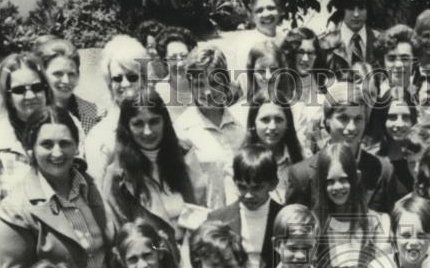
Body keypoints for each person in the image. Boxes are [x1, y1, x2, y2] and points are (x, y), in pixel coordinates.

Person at [0, 106, 112, 268]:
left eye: (65, 143)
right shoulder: (15, 210)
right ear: (30, 148)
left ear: (77, 146)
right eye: (47, 144)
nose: (57, 153)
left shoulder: (93, 188)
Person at [0, 53, 55, 268]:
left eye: (37, 87)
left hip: (62, 262)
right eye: (19, 90)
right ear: (7, 95)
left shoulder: (67, 129)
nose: (30, 96)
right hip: (18, 267)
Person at [103, 90, 201, 243]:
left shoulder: (185, 156)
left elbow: (201, 210)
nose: (147, 132)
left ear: (165, 121)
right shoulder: (117, 175)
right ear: (127, 127)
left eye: (154, 121)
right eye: (138, 124)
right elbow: (120, 235)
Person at [286, 80, 394, 213]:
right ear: (326, 121)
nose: (351, 127)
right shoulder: (301, 175)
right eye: (343, 118)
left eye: (358, 119)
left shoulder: (383, 171)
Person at [310, 142, 391, 268]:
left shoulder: (378, 223)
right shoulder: (313, 224)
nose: (338, 187)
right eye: (330, 182)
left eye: (344, 179)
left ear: (357, 177)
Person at [174, 45, 246, 209]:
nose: (207, 92)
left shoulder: (242, 123)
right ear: (191, 87)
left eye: (214, 83)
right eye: (199, 84)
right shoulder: (182, 131)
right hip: (208, 223)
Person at [208, 146, 283, 268]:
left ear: (272, 184)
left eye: (256, 188)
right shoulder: (218, 220)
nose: (248, 195)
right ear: (234, 182)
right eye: (242, 187)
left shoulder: (284, 218)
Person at [85, 35, 151, 187]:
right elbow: (97, 198)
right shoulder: (100, 137)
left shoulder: (158, 126)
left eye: (132, 77)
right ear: (109, 83)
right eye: (117, 78)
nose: (125, 84)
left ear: (144, 80)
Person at [230, 89, 306, 204]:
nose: (272, 126)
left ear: (287, 124)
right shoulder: (238, 163)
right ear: (253, 124)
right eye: (265, 120)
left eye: (279, 119)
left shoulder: (302, 160)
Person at [33, 36, 101, 134]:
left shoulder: (94, 113)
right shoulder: (30, 110)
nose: (66, 80)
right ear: (42, 75)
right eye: (58, 73)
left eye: (71, 74)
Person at [320, 0, 381, 76]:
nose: (356, 14)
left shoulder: (382, 41)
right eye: (351, 8)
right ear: (342, 8)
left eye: (361, 7)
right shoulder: (324, 45)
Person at [230, 0, 283, 74]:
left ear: (279, 8)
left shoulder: (283, 39)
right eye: (259, 10)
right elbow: (245, 83)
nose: (266, 14)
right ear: (251, 15)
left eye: (271, 8)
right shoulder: (247, 44)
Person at [371, 88, 419, 199]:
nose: (400, 123)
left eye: (406, 117)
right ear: (383, 120)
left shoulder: (419, 157)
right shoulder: (372, 160)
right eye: (392, 117)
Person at [376, 24, 419, 97]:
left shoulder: (422, 96)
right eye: (391, 58)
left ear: (414, 62)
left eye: (405, 59)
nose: (398, 64)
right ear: (382, 62)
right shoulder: (375, 97)